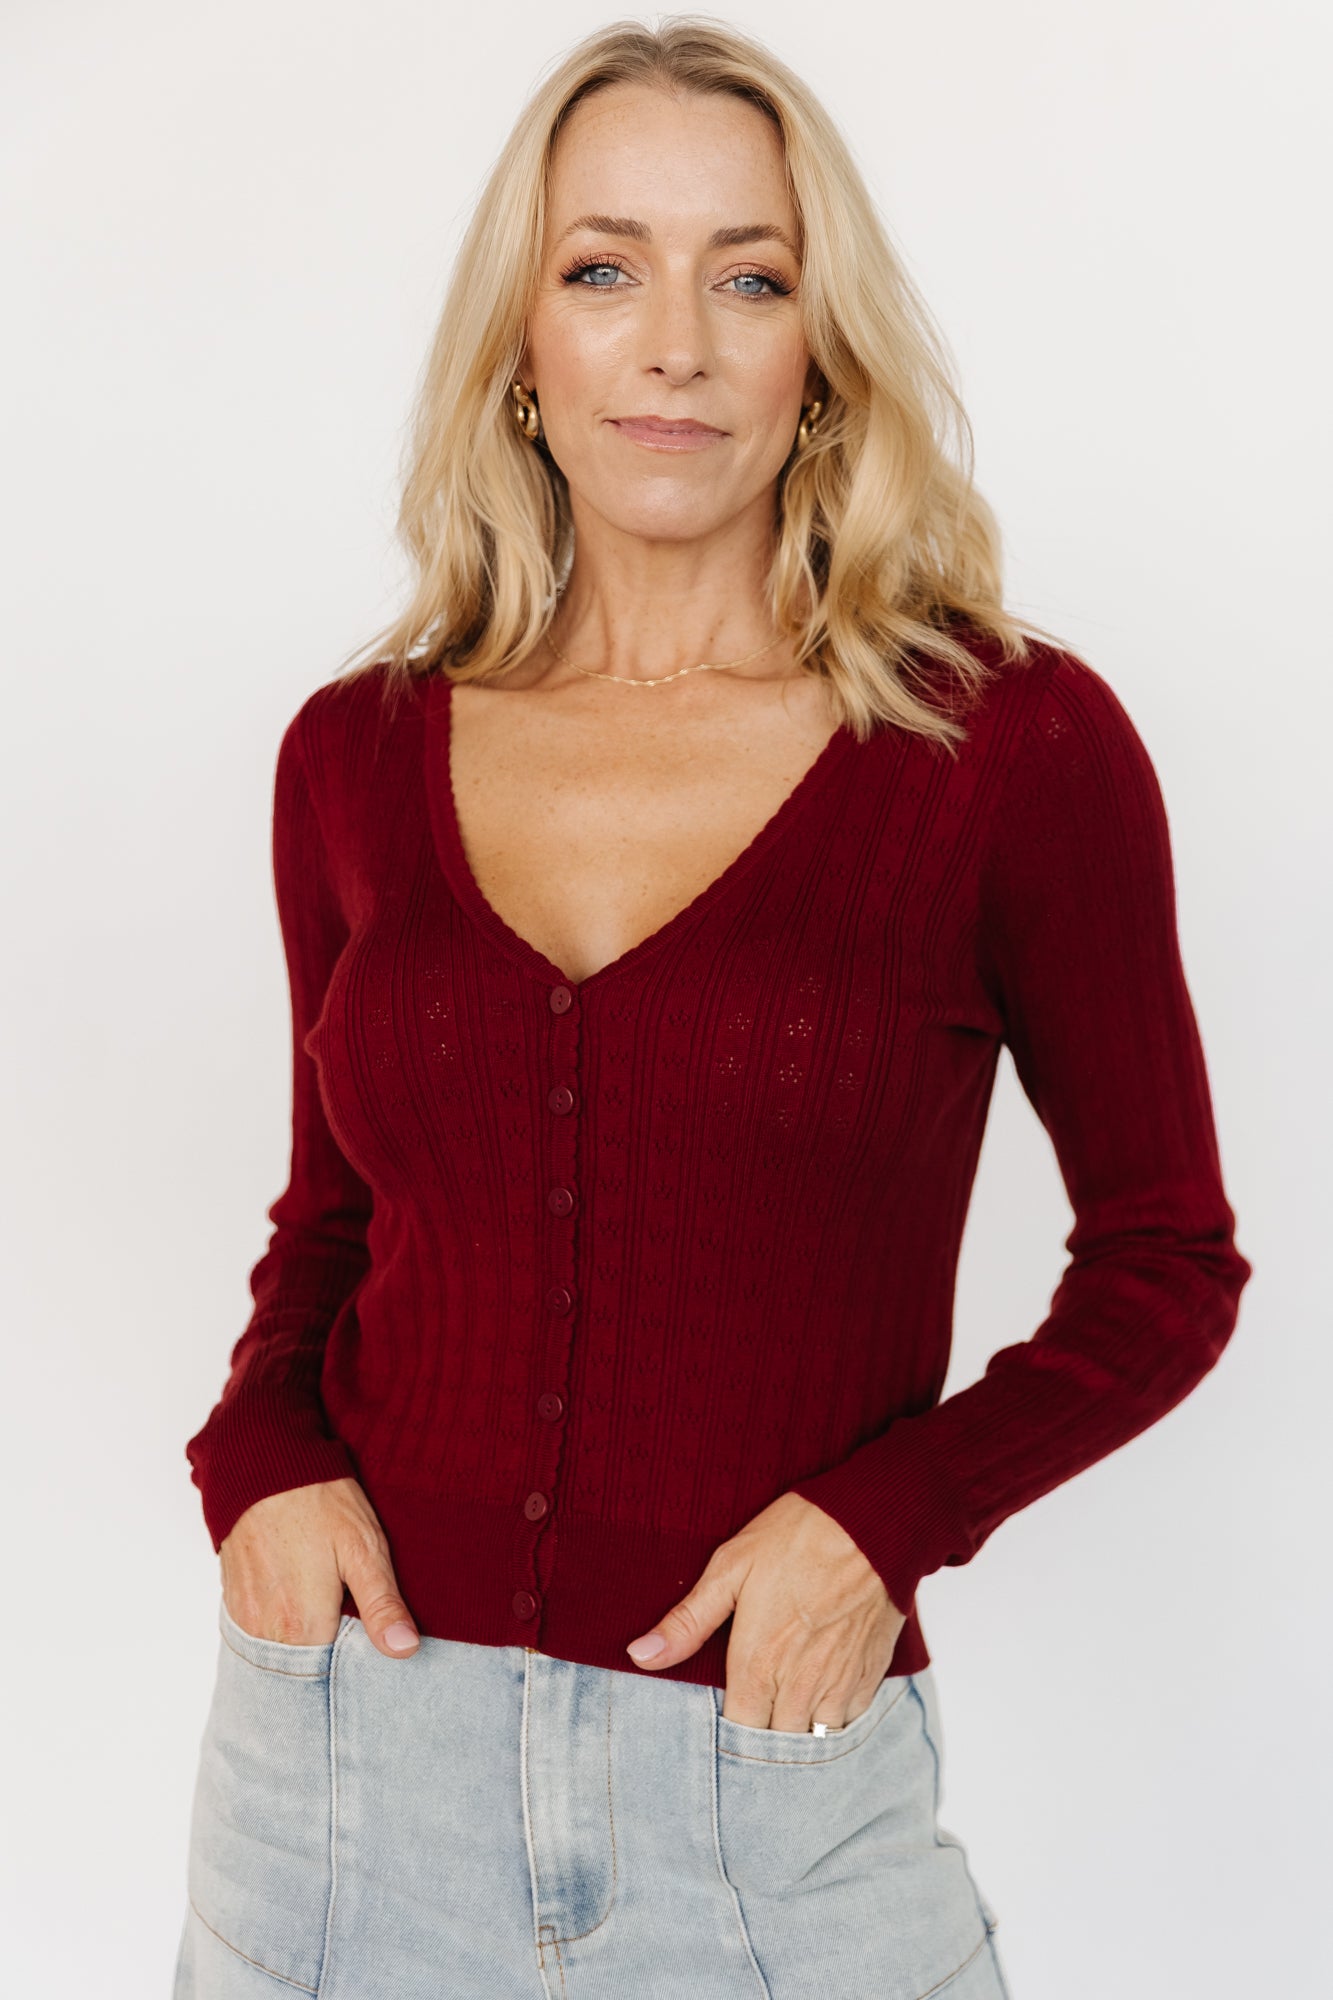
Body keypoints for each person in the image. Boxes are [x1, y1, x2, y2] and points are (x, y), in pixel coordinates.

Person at [172, 18, 1252, 1999]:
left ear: (818, 351)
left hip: (769, 1781)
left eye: (748, 279)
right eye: (604, 269)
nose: (673, 344)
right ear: (522, 340)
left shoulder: (1002, 749)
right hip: (336, 1763)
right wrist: (255, 1466)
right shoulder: (354, 753)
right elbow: (331, 1222)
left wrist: (879, 1526)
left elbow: (1165, 1260)